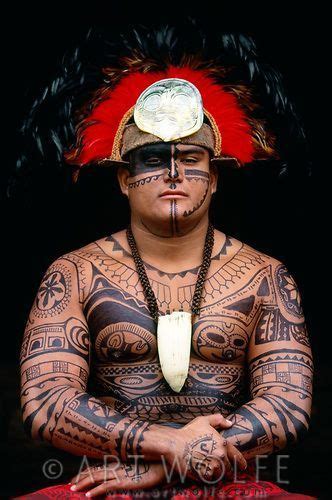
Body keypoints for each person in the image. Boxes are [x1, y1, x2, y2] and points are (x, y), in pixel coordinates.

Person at [17, 24, 314, 498]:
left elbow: (289, 404)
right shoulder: (71, 274)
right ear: (122, 179)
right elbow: (45, 402)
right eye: (152, 159)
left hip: (229, 484)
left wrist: (186, 462)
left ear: (214, 178)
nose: (173, 173)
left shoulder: (266, 276)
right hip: (106, 485)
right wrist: (168, 446)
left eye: (191, 158)